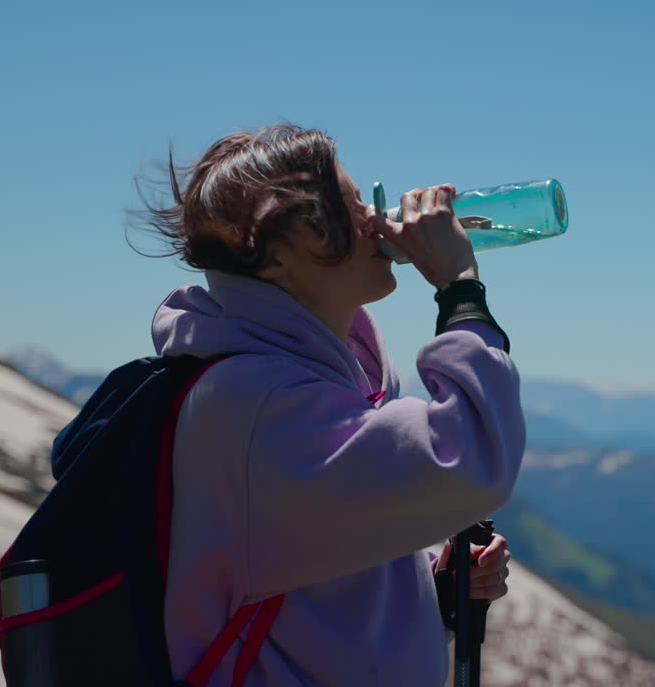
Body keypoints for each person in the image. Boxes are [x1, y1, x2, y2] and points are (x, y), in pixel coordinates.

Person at [139, 123, 527, 686]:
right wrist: (460, 289)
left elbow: (313, 589)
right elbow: (471, 460)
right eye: (348, 208)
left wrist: (434, 591)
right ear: (271, 256)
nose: (378, 219)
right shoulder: (255, 406)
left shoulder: (294, 383)